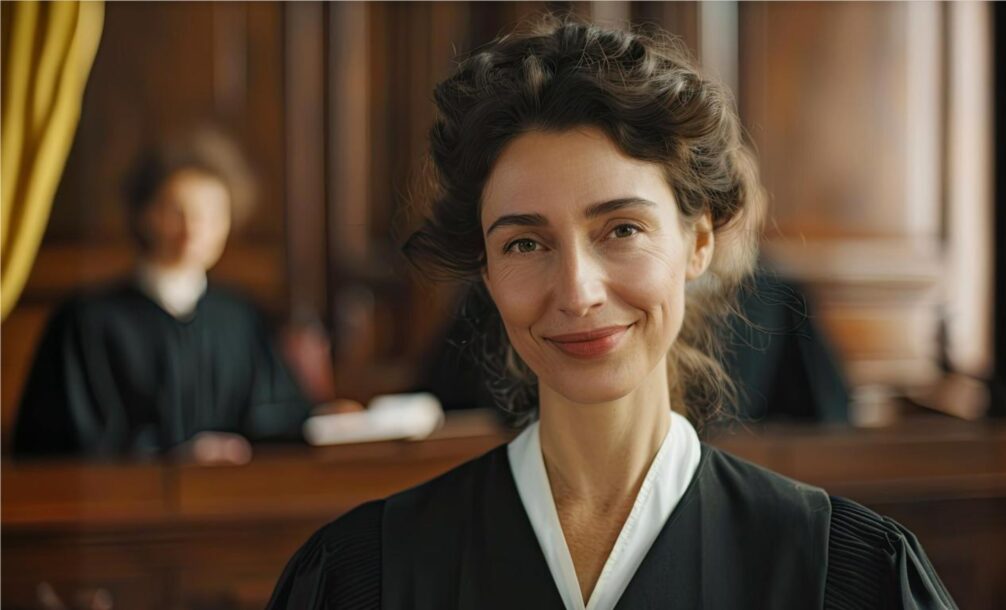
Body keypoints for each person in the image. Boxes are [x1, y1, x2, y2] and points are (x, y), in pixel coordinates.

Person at [268, 18, 955, 609]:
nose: (577, 291)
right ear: (485, 269)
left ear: (699, 240)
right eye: (525, 242)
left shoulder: (846, 574)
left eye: (621, 229)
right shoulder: (368, 576)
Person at [13, 129, 312, 460]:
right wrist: (175, 456)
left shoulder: (240, 318)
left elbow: (277, 417)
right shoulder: (86, 323)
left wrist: (324, 420)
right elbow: (61, 443)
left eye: (211, 215)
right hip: (122, 505)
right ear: (144, 215)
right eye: (176, 212)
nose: (193, 230)